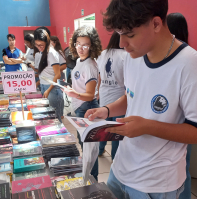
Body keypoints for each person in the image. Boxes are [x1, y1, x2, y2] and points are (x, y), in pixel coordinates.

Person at [85, 0, 197, 199]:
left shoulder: (191, 66)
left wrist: (146, 127)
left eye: (129, 35)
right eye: (119, 35)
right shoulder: (134, 56)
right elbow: (132, 96)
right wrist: (107, 109)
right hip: (119, 174)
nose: (122, 44)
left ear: (156, 23)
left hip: (156, 185)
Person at [167, 12, 196, 199]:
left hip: (179, 124)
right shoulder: (189, 54)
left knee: (179, 175)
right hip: (185, 123)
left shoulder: (183, 58)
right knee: (181, 173)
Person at [62, 25, 103, 181]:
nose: (81, 48)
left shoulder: (90, 66)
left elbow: (90, 95)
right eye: (78, 43)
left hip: (87, 108)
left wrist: (74, 93)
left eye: (85, 44)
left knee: (90, 149)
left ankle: (93, 180)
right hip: (80, 106)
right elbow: (80, 87)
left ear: (92, 46)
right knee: (84, 145)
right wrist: (71, 89)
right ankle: (88, 176)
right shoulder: (79, 60)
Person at [96, 32, 127, 159]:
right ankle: (115, 158)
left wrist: (98, 92)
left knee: (103, 127)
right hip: (119, 100)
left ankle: (99, 150)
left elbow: (99, 76)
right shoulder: (126, 55)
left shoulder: (102, 54)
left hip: (104, 96)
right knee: (116, 132)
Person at [34, 28, 64, 121]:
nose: (39, 47)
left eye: (41, 45)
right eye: (37, 45)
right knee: (49, 116)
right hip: (44, 86)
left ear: (46, 42)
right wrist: (39, 83)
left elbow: (58, 75)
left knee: (55, 118)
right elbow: (45, 72)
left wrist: (48, 90)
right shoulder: (42, 52)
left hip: (52, 88)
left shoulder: (51, 53)